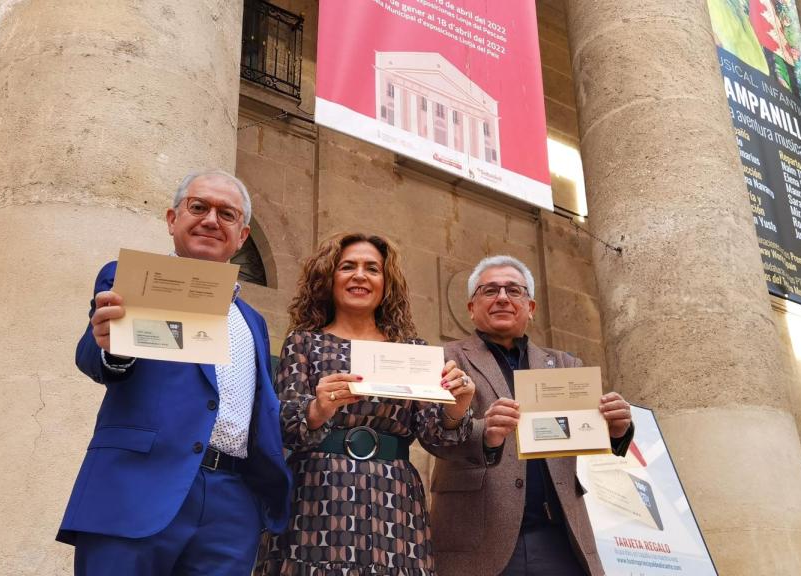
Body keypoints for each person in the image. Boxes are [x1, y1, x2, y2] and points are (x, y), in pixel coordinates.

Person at [56, 169, 292, 575]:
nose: (211, 220)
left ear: (242, 236)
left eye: (227, 214)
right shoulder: (127, 279)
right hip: (135, 490)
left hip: (232, 505)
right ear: (172, 219)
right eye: (198, 207)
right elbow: (92, 357)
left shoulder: (253, 321)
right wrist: (112, 350)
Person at [259, 232, 476, 575]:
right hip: (318, 490)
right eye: (348, 266)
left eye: (372, 269)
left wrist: (457, 406)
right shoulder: (303, 342)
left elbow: (437, 437)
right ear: (329, 278)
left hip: (394, 494)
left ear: (386, 283)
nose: (360, 275)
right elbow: (281, 424)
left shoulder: (412, 351)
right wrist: (317, 411)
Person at [427, 255, 634, 576]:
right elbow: (433, 433)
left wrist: (617, 428)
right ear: (471, 307)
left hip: (561, 537)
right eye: (490, 290)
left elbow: (586, 431)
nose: (502, 298)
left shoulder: (565, 365)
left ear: (531, 307)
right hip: (477, 541)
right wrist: (485, 431)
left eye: (513, 290)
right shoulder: (446, 359)